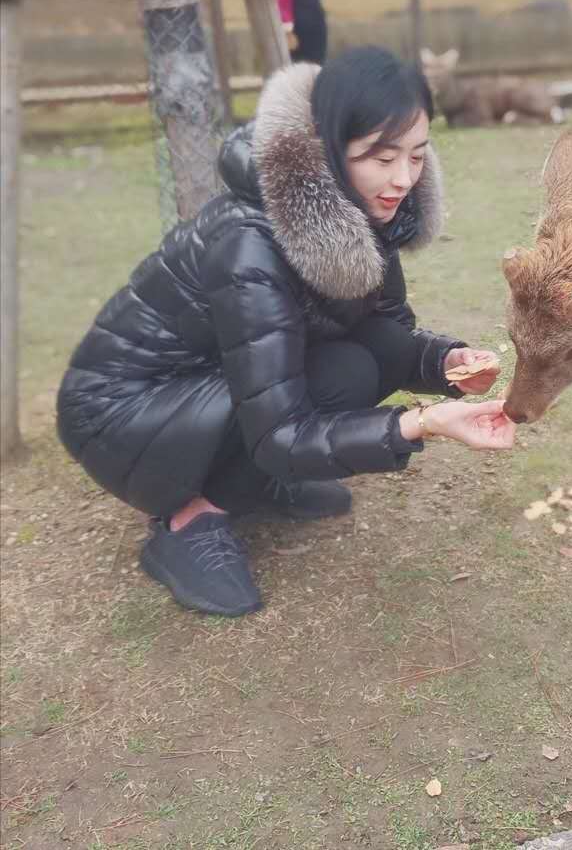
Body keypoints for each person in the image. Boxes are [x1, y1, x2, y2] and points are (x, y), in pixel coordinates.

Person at [56, 47, 514, 617]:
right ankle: (190, 521)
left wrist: (443, 365)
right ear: (326, 146)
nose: (402, 179)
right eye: (380, 155)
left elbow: (387, 334)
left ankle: (256, 483)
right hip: (120, 412)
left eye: (417, 157)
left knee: (357, 360)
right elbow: (281, 432)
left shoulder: (361, 210)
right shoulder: (251, 242)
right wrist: (422, 423)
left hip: (205, 387)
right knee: (341, 374)